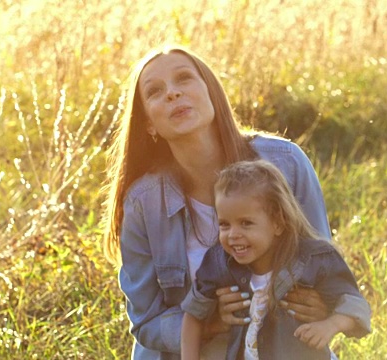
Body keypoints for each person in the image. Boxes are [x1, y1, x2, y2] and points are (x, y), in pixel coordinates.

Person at [102, 44, 334, 359]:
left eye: (184, 79)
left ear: (211, 92)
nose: (172, 93)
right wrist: (209, 321)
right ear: (149, 125)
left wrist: (322, 302)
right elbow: (146, 322)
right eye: (155, 91)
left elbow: (325, 271)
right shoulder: (144, 203)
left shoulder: (287, 163)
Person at [180, 160, 371, 360]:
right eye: (224, 224)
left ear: (278, 223)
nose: (233, 234)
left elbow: (355, 304)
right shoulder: (219, 261)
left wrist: (330, 325)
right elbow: (193, 314)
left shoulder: (315, 259)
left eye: (246, 223)